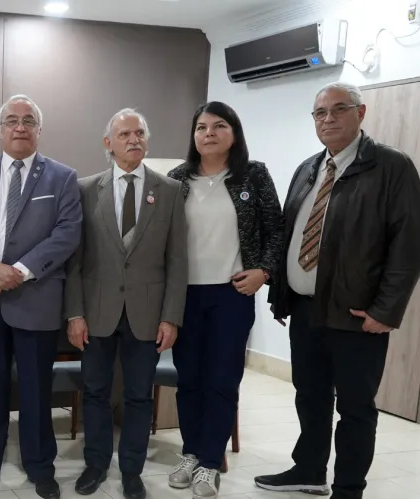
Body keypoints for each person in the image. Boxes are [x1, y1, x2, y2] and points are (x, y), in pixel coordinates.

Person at [255, 82, 420, 499]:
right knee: (309, 397)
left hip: (357, 316)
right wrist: (282, 295)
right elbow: (290, 234)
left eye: (339, 109)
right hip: (305, 310)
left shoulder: (391, 167)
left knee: (355, 408)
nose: (328, 119)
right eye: (320, 112)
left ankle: (348, 488)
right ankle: (309, 470)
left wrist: (386, 310)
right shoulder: (308, 168)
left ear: (360, 113)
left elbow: (409, 244)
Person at [0, 94, 82, 499]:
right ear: (0, 130)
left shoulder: (62, 178)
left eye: (28, 121)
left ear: (39, 130)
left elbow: (67, 233)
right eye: (12, 120)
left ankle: (40, 468)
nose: (20, 127)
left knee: (36, 389)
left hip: (36, 297)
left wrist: (19, 272)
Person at [64, 108, 187, 499]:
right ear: (108, 143)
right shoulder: (85, 189)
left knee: (138, 395)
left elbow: (177, 260)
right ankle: (96, 465)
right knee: (95, 392)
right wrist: (75, 313)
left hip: (147, 314)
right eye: (124, 134)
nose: (134, 139)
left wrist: (171, 317)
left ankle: (132, 471)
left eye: (139, 133)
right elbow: (75, 260)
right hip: (96, 311)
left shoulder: (169, 191)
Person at [165, 101, 285, 498]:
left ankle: (210, 463)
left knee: (221, 379)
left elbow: (277, 230)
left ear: (234, 133)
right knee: (189, 379)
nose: (209, 134)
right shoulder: (177, 179)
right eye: (201, 127)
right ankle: (190, 452)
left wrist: (264, 271)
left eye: (219, 126)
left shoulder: (253, 175)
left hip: (231, 294)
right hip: (185, 295)